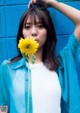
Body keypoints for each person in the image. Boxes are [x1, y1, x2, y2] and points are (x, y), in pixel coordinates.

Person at [0, 0, 80, 113]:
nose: (33, 32)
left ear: (48, 31)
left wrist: (52, 3)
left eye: (40, 26)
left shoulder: (60, 66)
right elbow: (3, 106)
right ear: (21, 32)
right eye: (27, 27)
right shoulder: (8, 68)